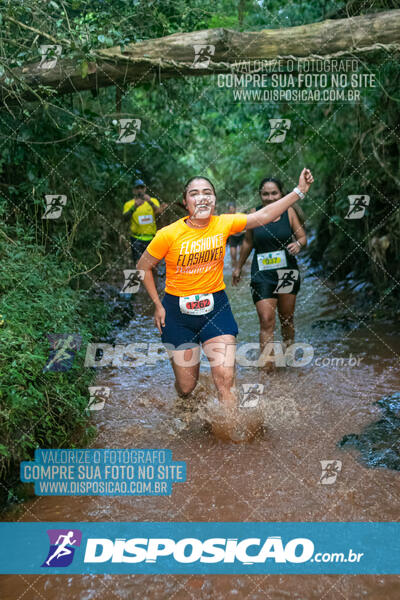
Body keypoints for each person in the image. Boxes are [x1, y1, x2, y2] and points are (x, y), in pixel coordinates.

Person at [137, 169, 313, 408]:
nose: (202, 197)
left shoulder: (223, 224)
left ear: (214, 200)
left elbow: (263, 214)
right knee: (187, 387)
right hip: (177, 315)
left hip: (215, 309)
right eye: (195, 193)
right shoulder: (168, 234)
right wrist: (157, 305)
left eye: (207, 193)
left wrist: (298, 192)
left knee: (226, 379)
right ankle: (183, 400)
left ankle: (230, 435)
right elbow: (144, 267)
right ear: (186, 202)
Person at [232, 177, 307, 368]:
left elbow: (302, 237)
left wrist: (298, 244)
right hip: (262, 274)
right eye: (265, 194)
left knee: (286, 319)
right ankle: (267, 369)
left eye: (274, 193)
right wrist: (239, 266)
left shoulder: (289, 212)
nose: (270, 197)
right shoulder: (253, 214)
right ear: (260, 195)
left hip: (287, 273)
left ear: (281, 194)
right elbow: (248, 241)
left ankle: (289, 357)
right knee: (266, 321)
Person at [123, 179, 167, 265]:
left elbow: (159, 213)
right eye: (137, 188)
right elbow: (124, 218)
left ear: (145, 189)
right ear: (133, 190)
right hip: (136, 239)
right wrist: (134, 207)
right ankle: (139, 278)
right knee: (139, 265)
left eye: (142, 188)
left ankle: (152, 278)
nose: (140, 190)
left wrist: (150, 202)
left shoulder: (153, 201)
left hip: (151, 238)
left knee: (153, 265)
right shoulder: (129, 204)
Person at [226, 203, 245, 269]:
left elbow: (246, 223)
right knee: (233, 254)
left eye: (232, 208)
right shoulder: (226, 218)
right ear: (228, 210)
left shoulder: (239, 216)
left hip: (241, 235)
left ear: (235, 208)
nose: (231, 210)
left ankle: (241, 266)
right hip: (232, 236)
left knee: (241, 252)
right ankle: (234, 267)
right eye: (230, 209)